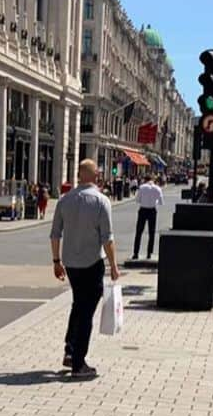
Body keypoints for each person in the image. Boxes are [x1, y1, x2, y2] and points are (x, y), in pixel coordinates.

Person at [50, 159, 120, 380]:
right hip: (92, 263)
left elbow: (55, 234)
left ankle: (70, 350)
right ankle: (79, 363)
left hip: (71, 263)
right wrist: (114, 266)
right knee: (86, 310)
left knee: (78, 303)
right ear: (96, 175)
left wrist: (56, 261)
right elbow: (107, 238)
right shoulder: (101, 201)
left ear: (80, 175)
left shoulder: (64, 200)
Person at [132, 176, 164, 261]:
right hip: (152, 210)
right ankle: (149, 253)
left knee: (139, 232)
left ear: (145, 180)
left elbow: (137, 200)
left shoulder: (142, 187)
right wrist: (154, 201)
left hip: (143, 210)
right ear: (153, 180)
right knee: (151, 233)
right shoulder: (157, 188)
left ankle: (136, 253)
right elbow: (161, 202)